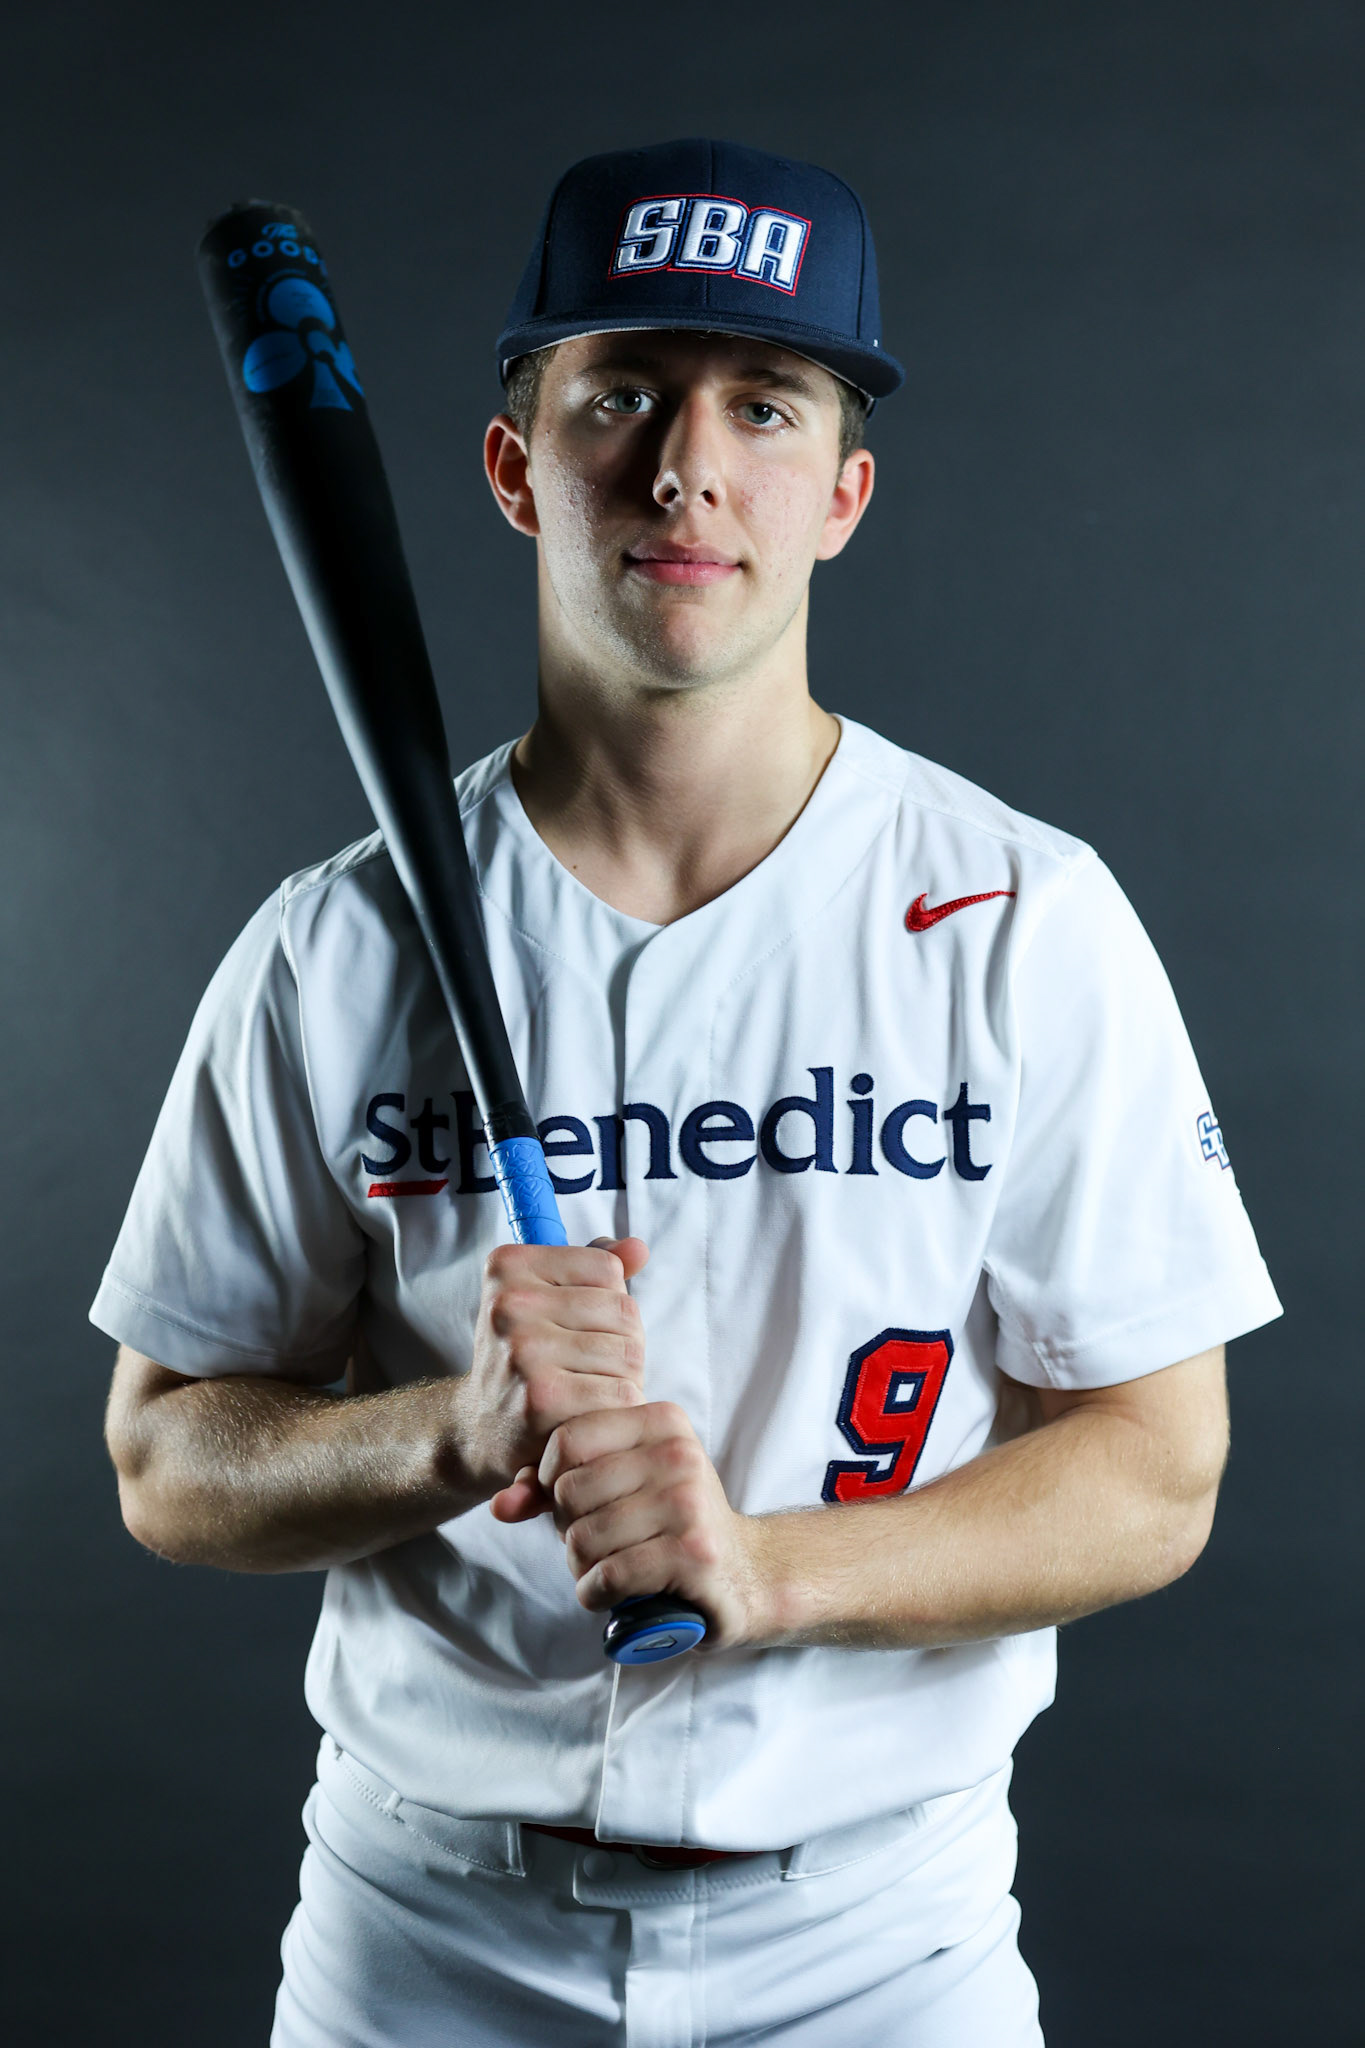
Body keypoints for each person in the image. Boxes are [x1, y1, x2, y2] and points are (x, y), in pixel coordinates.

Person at [95, 138, 1281, 2046]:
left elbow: (1157, 1468)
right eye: (621, 393)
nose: (684, 468)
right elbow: (163, 1457)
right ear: (513, 464)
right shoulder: (334, 944)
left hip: (880, 1950)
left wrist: (768, 1569)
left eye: (764, 404)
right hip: (424, 1943)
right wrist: (439, 1433)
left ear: (843, 493)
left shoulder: (1020, 922)